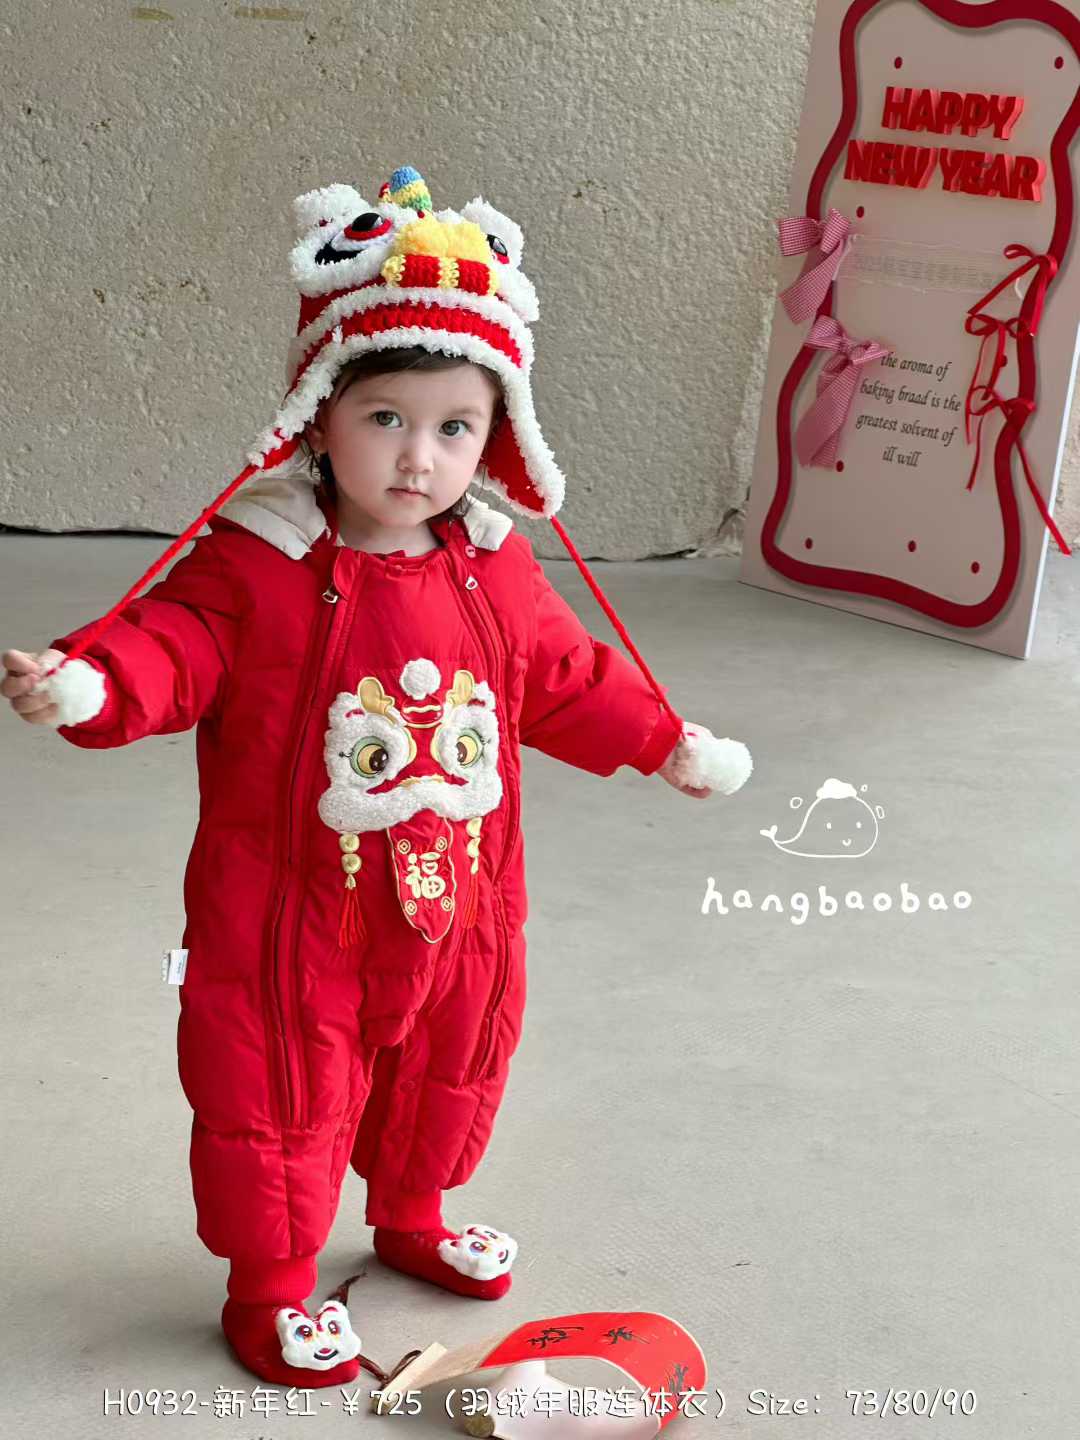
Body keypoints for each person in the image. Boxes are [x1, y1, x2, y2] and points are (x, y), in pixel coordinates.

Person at [2, 167, 751, 1387]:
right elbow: (170, 646)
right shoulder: (257, 565)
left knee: (451, 1060)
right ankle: (271, 1286)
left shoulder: (493, 564)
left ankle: (412, 1214)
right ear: (320, 415)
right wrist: (89, 683)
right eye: (387, 418)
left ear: (497, 434)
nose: (419, 458)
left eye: (456, 428)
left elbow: (563, 674)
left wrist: (663, 740)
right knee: (280, 1087)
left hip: (462, 897)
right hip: (291, 912)